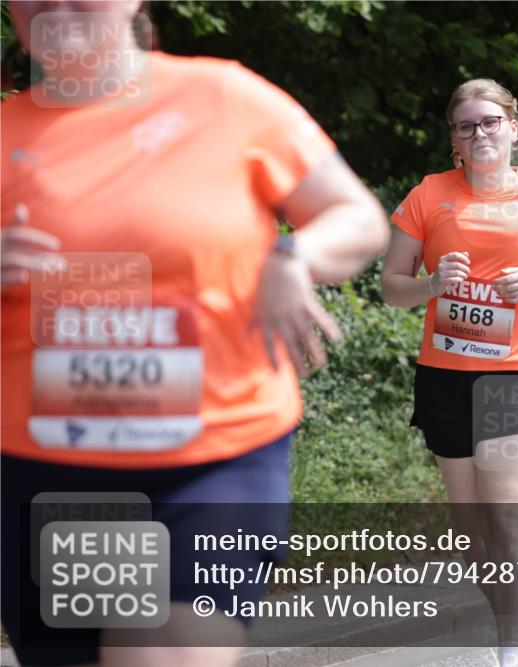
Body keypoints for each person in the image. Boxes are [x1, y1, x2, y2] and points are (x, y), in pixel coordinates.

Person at [0, 2, 389, 666]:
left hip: (215, 458)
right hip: (54, 470)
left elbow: (356, 216)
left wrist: (294, 256)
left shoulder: (224, 97)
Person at [381, 78, 518, 666]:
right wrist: (431, 284)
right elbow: (390, 288)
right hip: (446, 377)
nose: (478, 133)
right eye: (465, 125)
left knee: (505, 526)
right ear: (454, 138)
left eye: (489, 122)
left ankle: (516, 650)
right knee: (475, 539)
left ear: (513, 127)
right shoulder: (429, 195)